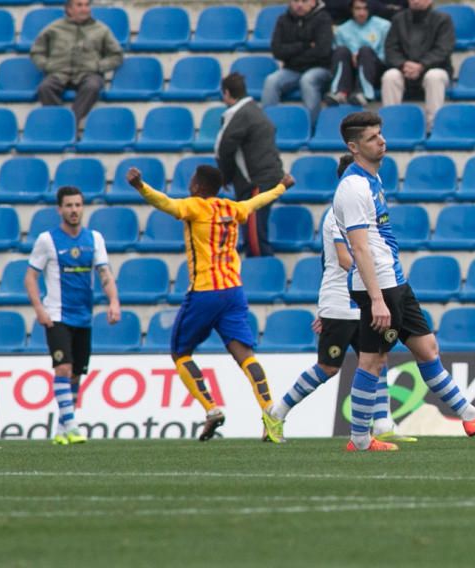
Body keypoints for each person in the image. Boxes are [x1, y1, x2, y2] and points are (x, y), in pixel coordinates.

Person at [333, 111, 475, 451]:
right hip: (380, 287)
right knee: (373, 360)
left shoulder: (373, 179)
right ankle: (358, 439)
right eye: (372, 138)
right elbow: (358, 246)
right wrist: (378, 299)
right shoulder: (354, 187)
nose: (381, 141)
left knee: (427, 348)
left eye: (381, 134)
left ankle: (471, 415)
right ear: (354, 147)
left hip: (394, 281)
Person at [125, 164, 295, 443]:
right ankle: (270, 414)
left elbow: (165, 203)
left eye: (192, 181)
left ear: (197, 187)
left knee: (181, 353)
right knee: (246, 355)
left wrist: (140, 186)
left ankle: (211, 409)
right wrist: (281, 187)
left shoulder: (194, 207)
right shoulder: (231, 208)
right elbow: (256, 202)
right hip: (234, 291)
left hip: (205, 292)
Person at [267, 154, 415, 443]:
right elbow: (347, 259)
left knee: (375, 358)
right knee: (328, 367)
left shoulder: (360, 211)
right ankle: (277, 412)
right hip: (341, 302)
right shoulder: (338, 215)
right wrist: (379, 279)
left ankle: (383, 425)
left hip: (357, 299)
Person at [26, 186, 121, 445]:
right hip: (57, 315)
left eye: (78, 205)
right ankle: (73, 426)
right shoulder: (48, 240)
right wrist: (39, 309)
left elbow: (104, 274)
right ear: (60, 209)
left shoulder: (95, 239)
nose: (74, 210)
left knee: (77, 375)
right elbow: (30, 277)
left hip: (83, 316)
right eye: (68, 206)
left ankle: (60, 429)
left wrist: (114, 301)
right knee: (63, 368)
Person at [217, 73, 286, 258]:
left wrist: (224, 176)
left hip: (256, 182)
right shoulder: (254, 110)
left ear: (226, 93)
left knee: (255, 241)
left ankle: (263, 279)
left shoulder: (238, 114)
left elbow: (223, 147)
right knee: (255, 234)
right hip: (266, 178)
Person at [30, 0, 123, 123]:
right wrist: (46, 66)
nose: (84, 9)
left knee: (92, 86)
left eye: (87, 5)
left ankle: (70, 123)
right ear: (69, 9)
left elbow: (116, 55)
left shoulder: (102, 30)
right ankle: (59, 121)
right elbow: (37, 51)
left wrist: (99, 66)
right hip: (59, 73)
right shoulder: (53, 28)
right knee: (44, 88)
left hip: (89, 74)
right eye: (79, 5)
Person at [381, 0, 455, 130]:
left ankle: (433, 126)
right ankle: (391, 124)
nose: (416, 1)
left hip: (434, 68)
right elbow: (391, 48)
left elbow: (443, 49)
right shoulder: (398, 19)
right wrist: (403, 64)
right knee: (390, 76)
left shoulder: (443, 20)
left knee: (434, 76)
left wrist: (421, 65)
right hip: (404, 70)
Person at [263, 0, 334, 128]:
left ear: (313, 2)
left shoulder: (324, 19)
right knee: (271, 81)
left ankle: (310, 127)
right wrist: (305, 45)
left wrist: (292, 56)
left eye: (304, 1)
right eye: (296, 1)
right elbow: (277, 51)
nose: (299, 5)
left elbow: (322, 52)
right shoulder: (283, 20)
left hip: (320, 68)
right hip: (292, 70)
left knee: (307, 80)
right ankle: (267, 127)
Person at [326, 0, 391, 106]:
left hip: (375, 70)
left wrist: (361, 56)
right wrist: (354, 55)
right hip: (351, 71)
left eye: (365, 8)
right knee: (341, 51)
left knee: (365, 51)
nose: (361, 13)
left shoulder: (384, 26)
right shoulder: (342, 29)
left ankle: (364, 93)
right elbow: (338, 57)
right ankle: (339, 92)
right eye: (358, 8)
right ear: (352, 10)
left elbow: (386, 55)